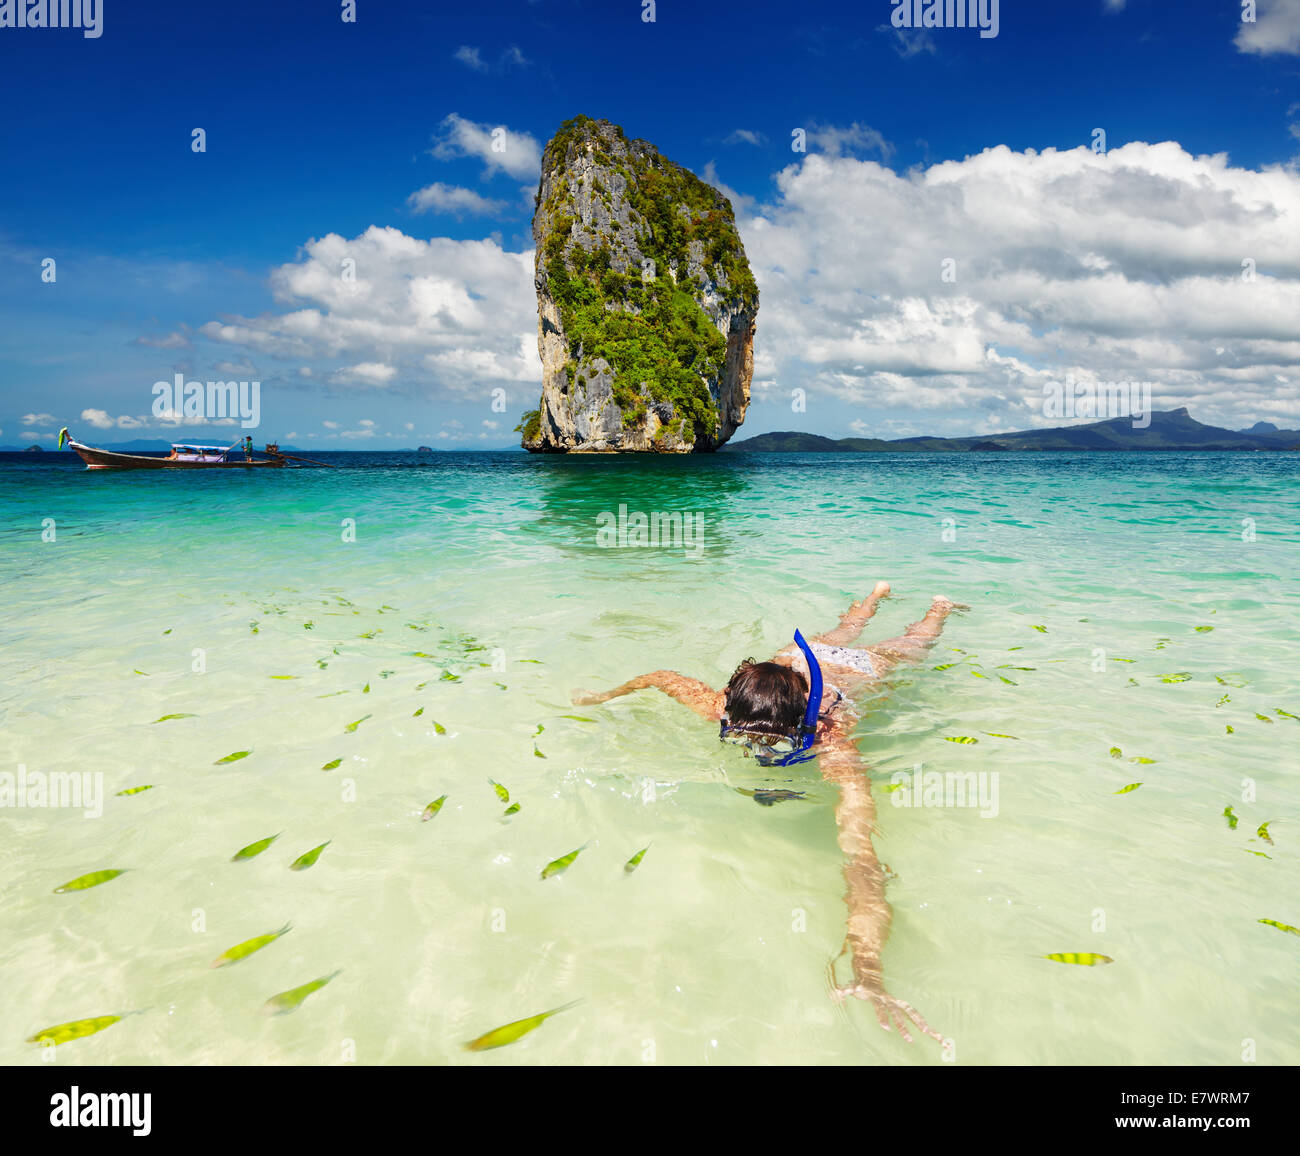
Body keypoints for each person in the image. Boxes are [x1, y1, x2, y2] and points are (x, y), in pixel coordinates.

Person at [572, 583, 966, 1043]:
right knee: (847, 627)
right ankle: (876, 595)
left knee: (911, 643)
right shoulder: (718, 707)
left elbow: (861, 857)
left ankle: (939, 606)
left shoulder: (834, 742)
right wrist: (603, 697)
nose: (752, 743)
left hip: (859, 668)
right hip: (801, 662)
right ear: (727, 706)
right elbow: (660, 676)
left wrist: (868, 966)